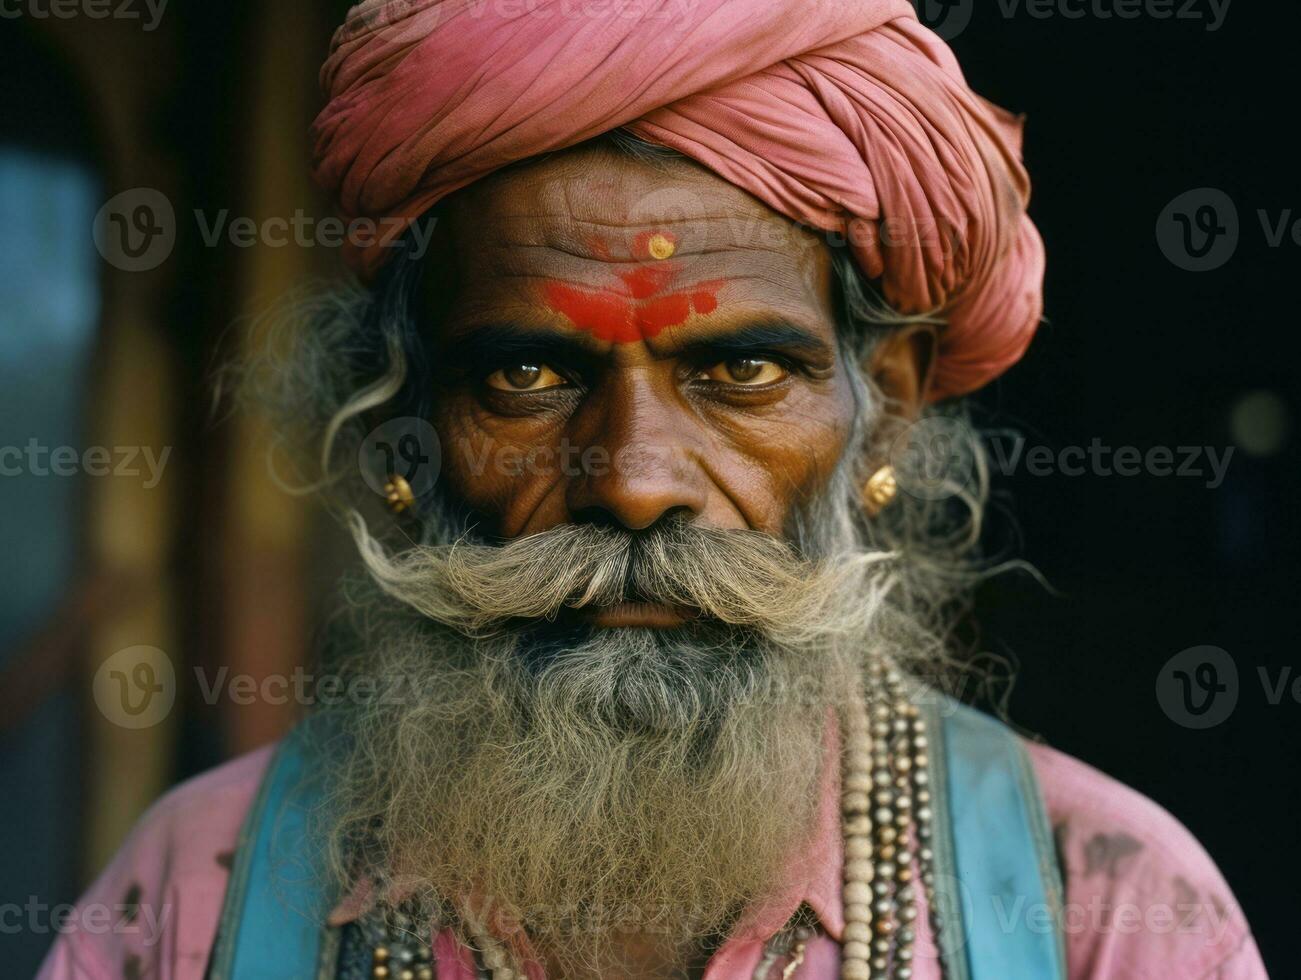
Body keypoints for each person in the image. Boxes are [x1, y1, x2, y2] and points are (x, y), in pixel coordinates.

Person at [38, 1, 1267, 977]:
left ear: (881, 401)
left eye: (737, 370)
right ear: (409, 425)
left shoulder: (1107, 909)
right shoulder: (190, 899)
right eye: (525, 372)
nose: (630, 482)